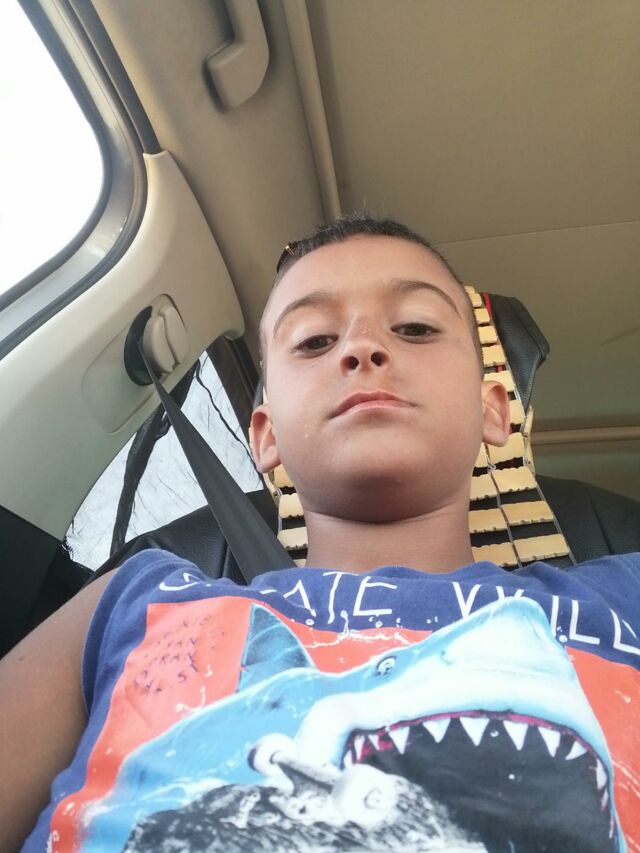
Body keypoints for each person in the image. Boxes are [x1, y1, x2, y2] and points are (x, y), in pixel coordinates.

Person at [1, 216, 638, 852]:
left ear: (494, 410)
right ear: (266, 436)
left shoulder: (627, 592)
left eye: (416, 327)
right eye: (314, 341)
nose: (362, 347)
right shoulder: (132, 599)